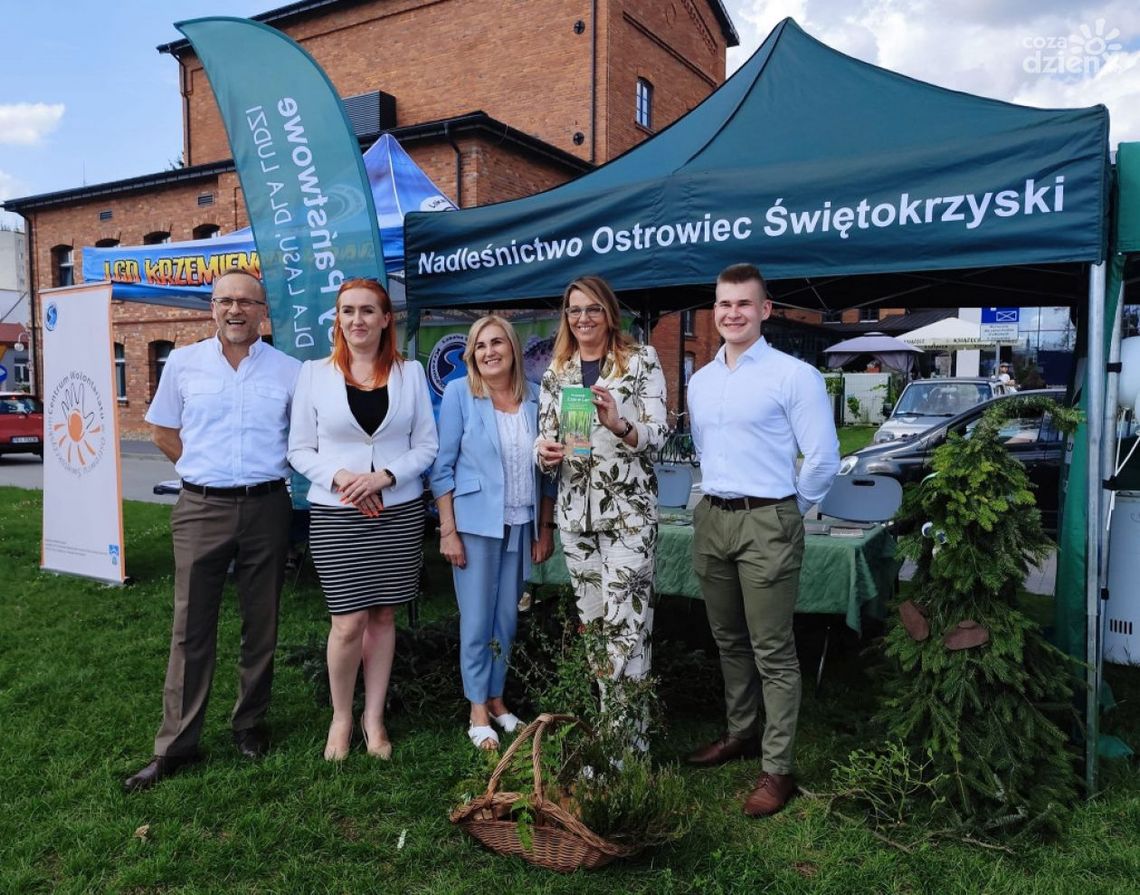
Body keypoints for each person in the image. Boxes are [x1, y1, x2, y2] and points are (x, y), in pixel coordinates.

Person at [124, 269, 302, 793]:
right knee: (190, 627)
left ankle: (249, 724)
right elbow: (161, 429)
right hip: (201, 506)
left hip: (268, 505)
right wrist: (200, 467)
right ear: (212, 307)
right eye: (226, 300)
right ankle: (176, 744)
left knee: (261, 622)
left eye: (247, 302)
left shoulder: (290, 371)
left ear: (262, 311)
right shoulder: (182, 363)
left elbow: (303, 436)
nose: (236, 310)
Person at [685, 263, 839, 817]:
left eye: (743, 304)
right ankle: (740, 733)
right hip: (713, 516)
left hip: (769, 518)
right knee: (728, 641)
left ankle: (777, 770)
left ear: (765, 309)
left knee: (773, 649)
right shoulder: (701, 381)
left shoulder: (794, 376)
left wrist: (787, 509)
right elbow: (706, 450)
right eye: (723, 304)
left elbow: (823, 458)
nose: (732, 314)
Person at [287, 277, 438, 761]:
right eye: (347, 311)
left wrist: (385, 477)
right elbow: (298, 450)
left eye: (368, 311)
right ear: (337, 318)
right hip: (338, 514)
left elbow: (427, 446)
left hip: (397, 510)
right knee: (348, 622)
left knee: (384, 615)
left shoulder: (410, 374)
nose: (357, 320)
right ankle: (341, 716)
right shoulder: (313, 373)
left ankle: (374, 718)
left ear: (386, 318)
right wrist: (342, 479)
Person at [535, 275, 668, 737]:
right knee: (596, 630)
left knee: (626, 631)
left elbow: (659, 436)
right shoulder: (559, 371)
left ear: (610, 313)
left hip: (629, 517)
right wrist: (545, 453)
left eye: (593, 309)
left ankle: (622, 749)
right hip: (576, 520)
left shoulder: (640, 362)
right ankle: (619, 738)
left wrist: (620, 425)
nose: (583, 318)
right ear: (566, 318)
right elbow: (548, 439)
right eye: (574, 310)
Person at [431, 316, 556, 751]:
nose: (488, 352)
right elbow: (442, 468)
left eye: (496, 342)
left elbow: (550, 475)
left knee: (506, 618)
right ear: (471, 354)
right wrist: (447, 529)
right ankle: (477, 710)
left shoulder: (538, 400)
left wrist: (545, 527)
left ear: (513, 349)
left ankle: (498, 698)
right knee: (478, 619)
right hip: (474, 525)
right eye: (479, 345)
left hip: (521, 524)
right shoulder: (460, 395)